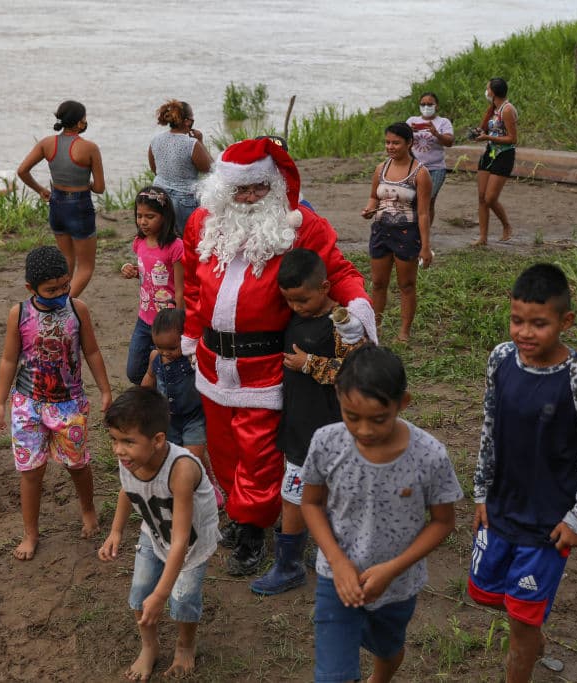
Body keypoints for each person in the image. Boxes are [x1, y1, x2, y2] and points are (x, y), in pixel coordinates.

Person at [181, 136, 375, 576]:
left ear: (275, 186)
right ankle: (239, 511)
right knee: (224, 448)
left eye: (257, 190)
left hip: (266, 366)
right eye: (239, 191)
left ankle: (252, 527)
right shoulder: (201, 224)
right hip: (211, 361)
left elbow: (339, 272)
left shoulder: (301, 225)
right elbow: (193, 286)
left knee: (259, 453)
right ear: (223, 191)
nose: (248, 199)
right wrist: (191, 338)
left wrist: (357, 312)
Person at [467, 264, 577, 683]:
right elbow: (489, 425)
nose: (525, 333)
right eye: (517, 321)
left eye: (539, 324)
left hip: (548, 526)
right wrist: (481, 492)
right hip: (501, 510)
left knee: (521, 624)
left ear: (565, 322)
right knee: (492, 597)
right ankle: (533, 642)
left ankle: (523, 658)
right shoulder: (500, 358)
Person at [301, 345, 463, 683]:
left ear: (403, 403)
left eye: (378, 418)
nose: (364, 430)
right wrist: (339, 562)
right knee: (333, 676)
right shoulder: (326, 442)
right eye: (351, 416)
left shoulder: (429, 455)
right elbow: (311, 503)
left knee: (388, 649)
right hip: (337, 578)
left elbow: (444, 522)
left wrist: (392, 569)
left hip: (398, 584)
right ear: (338, 396)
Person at [250, 248, 368, 596]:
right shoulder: (293, 317)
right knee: (294, 492)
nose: (297, 307)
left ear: (325, 286)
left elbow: (356, 372)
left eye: (302, 299)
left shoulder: (342, 323)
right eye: (289, 301)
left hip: (333, 427)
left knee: (337, 492)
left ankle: (340, 554)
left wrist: (310, 364)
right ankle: (289, 563)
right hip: (299, 423)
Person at [0, 246, 113, 561]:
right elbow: (8, 359)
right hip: (27, 404)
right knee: (31, 471)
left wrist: (105, 390)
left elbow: (93, 352)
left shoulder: (78, 310)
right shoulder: (18, 314)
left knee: (77, 463)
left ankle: (87, 508)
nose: (60, 293)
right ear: (31, 288)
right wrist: (0, 402)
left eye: (64, 286)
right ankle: (30, 532)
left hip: (69, 404)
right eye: (51, 290)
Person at [98, 386, 219, 681]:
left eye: (127, 441)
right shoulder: (130, 459)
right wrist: (115, 531)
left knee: (182, 599)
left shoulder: (181, 470)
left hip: (190, 545)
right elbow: (127, 491)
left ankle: (185, 644)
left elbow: (180, 542)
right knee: (140, 595)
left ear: (158, 440)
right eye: (114, 440)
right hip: (153, 532)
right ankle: (149, 647)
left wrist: (162, 593)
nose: (118, 450)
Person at [17, 100, 105, 298]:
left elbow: (22, 171)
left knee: (66, 259)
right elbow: (99, 188)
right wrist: (87, 184)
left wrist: (40, 189)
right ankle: (62, 304)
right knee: (86, 267)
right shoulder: (89, 148)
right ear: (80, 122)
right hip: (80, 206)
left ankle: (55, 298)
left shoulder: (47, 143)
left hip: (56, 204)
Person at [141, 308, 223, 510]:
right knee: (172, 456)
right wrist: (141, 399)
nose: (166, 353)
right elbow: (150, 378)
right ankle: (180, 488)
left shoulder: (191, 358)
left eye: (171, 348)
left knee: (192, 455)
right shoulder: (156, 358)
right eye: (160, 347)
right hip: (168, 419)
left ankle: (208, 484)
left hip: (193, 416)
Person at [361, 122, 433, 342]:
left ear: (409, 143)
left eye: (396, 142)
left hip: (407, 234)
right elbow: (375, 196)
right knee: (379, 283)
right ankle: (376, 327)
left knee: (407, 285)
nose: (390, 146)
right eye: (387, 142)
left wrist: (425, 247)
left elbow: (423, 213)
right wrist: (369, 209)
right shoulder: (380, 168)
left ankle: (404, 332)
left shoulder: (420, 174)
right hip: (381, 232)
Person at [120, 186, 183, 384]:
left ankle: (162, 402)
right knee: (134, 371)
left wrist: (180, 325)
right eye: (139, 216)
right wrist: (131, 269)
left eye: (150, 216)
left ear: (164, 216)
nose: (143, 222)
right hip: (144, 318)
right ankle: (153, 389)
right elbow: (149, 269)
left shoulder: (175, 247)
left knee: (168, 369)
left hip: (166, 322)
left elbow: (180, 290)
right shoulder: (139, 242)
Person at [148, 100, 212, 236]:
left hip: (159, 196)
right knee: (188, 240)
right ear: (188, 121)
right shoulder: (191, 143)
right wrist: (200, 141)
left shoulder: (155, 140)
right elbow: (209, 169)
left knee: (166, 238)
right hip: (185, 200)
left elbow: (155, 170)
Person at [472, 77, 518, 246]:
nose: (486, 91)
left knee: (491, 198)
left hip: (504, 155)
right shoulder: (493, 109)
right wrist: (479, 134)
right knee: (481, 197)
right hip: (489, 153)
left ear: (494, 92)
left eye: (487, 88)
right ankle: (483, 237)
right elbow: (487, 129)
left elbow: (513, 139)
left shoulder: (507, 110)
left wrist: (488, 137)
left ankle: (506, 226)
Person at [406, 92, 454, 228]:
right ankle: (415, 230)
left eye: (429, 104)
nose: (426, 107)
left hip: (436, 168)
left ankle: (424, 231)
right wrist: (408, 131)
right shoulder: (411, 120)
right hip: (414, 167)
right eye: (423, 104)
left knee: (428, 200)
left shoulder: (443, 122)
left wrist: (436, 133)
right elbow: (401, 140)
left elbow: (449, 142)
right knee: (412, 200)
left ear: (436, 106)